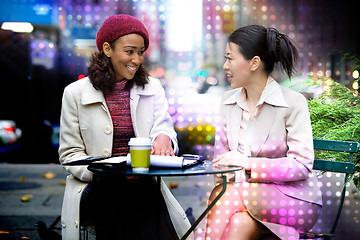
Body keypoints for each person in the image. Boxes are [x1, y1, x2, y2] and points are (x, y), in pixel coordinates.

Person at [58, 14, 192, 240]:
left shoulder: (153, 87)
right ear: (108, 49)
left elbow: (164, 128)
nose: (137, 60)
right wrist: (104, 172)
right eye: (129, 51)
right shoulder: (75, 93)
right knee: (123, 205)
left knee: (145, 202)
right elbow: (69, 155)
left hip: (144, 186)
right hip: (98, 186)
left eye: (140, 52)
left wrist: (163, 138)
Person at [205, 25, 322, 240]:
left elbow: (302, 165)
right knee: (238, 223)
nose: (225, 66)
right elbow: (221, 168)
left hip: (295, 201)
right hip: (243, 200)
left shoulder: (293, 103)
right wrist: (228, 172)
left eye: (230, 58)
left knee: (228, 194)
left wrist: (248, 164)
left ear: (254, 63)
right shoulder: (227, 103)